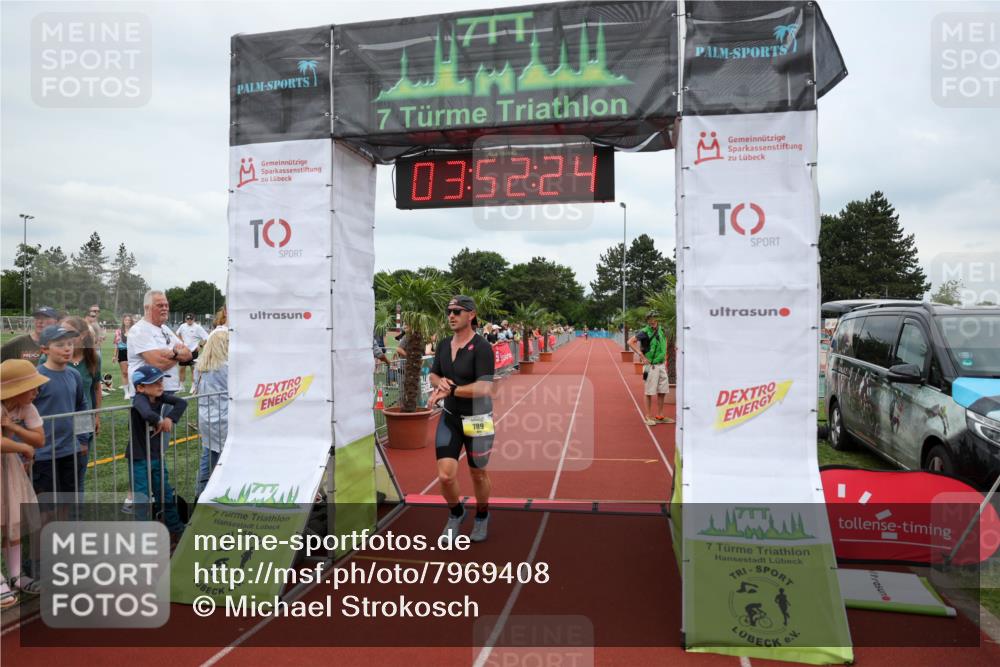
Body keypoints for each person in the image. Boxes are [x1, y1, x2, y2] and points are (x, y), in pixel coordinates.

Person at [427, 295, 496, 543]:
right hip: (450, 417)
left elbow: (485, 388)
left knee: (477, 473)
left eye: (457, 311)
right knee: (445, 476)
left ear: (472, 314)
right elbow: (434, 375)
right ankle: (456, 513)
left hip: (478, 419)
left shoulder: (482, 347)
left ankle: (482, 515)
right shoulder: (444, 344)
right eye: (449, 311)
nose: (451, 315)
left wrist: (452, 390)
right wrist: (440, 382)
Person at [1, 360, 48, 607]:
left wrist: (12, 428)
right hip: (7, 463)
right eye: (31, 387)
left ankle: (16, 575)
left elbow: (39, 439)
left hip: (7, 467)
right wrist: (21, 446)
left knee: (13, 521)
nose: (36, 391)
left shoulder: (25, 407)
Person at [129, 364, 187, 540]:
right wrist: (159, 420)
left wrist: (170, 418)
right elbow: (146, 413)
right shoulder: (139, 399)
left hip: (156, 456)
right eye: (154, 383)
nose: (160, 386)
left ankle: (175, 528)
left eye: (161, 381)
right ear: (140, 388)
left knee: (165, 494)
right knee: (142, 498)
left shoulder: (160, 397)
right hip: (139, 458)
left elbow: (182, 402)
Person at [31, 325, 87, 501]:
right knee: (46, 505)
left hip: (70, 450)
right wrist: (24, 451)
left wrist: (83, 438)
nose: (67, 348)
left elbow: (82, 406)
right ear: (44, 349)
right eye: (60, 344)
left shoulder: (74, 375)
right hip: (43, 454)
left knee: (68, 502)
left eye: (70, 343)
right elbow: (21, 413)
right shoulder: (36, 377)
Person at [55, 316, 102, 491]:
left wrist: (97, 416)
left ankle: (75, 517)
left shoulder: (93, 358)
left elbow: (96, 389)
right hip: (57, 423)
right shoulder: (52, 357)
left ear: (82, 335)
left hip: (83, 423)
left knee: (77, 477)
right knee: (55, 478)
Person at [127, 290, 191, 398]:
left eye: (166, 305)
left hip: (168, 389)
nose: (165, 308)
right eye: (160, 305)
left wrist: (171, 354)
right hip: (148, 393)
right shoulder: (139, 330)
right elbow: (158, 364)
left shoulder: (165, 329)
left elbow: (188, 354)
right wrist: (177, 354)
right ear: (147, 308)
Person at [193, 331, 228, 498]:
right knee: (222, 463)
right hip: (224, 420)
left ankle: (200, 495)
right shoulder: (225, 368)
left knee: (207, 458)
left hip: (206, 418)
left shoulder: (200, 366)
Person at [629, 311, 674, 426]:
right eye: (650, 318)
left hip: (661, 365)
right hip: (651, 366)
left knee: (662, 391)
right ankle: (648, 416)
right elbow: (630, 342)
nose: (652, 320)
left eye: (654, 318)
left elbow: (665, 343)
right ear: (647, 320)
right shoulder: (644, 332)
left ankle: (660, 415)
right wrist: (641, 355)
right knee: (649, 392)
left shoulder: (662, 330)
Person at [175, 314, 209, 392]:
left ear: (194, 319)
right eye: (187, 319)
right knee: (182, 369)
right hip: (183, 351)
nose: (189, 321)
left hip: (193, 351)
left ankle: (193, 386)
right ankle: (181, 387)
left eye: (191, 319)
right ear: (185, 320)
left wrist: (200, 346)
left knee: (193, 369)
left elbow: (206, 337)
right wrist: (181, 341)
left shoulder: (198, 327)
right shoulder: (183, 326)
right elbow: (177, 333)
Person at [114, 314, 134, 389]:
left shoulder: (134, 330)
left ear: (131, 321)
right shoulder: (118, 331)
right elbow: (116, 344)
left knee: (132, 372)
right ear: (123, 321)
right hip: (122, 352)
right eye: (126, 320)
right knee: (125, 373)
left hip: (132, 352)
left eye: (129, 320)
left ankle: (132, 388)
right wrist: (114, 355)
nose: (127, 321)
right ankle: (126, 392)